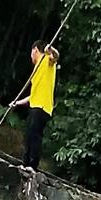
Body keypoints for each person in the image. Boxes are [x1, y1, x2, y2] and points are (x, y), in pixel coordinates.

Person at [12, 40, 59, 172]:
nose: (30, 56)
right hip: (35, 105)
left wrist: (51, 49)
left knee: (35, 135)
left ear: (35, 50)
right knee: (28, 135)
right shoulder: (36, 69)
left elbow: (56, 56)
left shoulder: (47, 61)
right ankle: (25, 163)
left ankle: (32, 165)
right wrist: (17, 103)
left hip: (43, 107)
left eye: (31, 53)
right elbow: (32, 95)